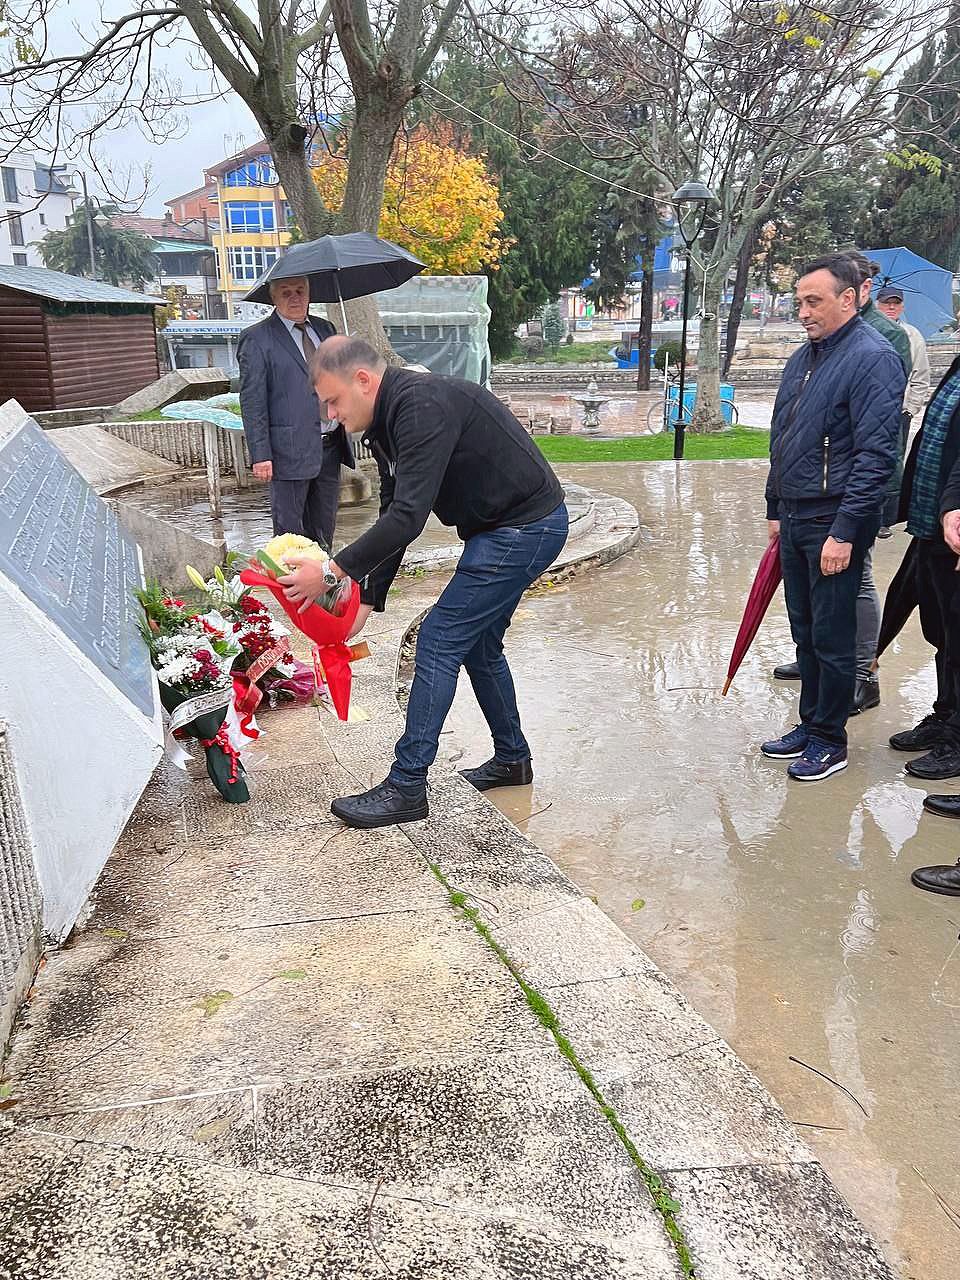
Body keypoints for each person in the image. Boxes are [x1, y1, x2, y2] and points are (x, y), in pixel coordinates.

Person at [280, 335, 569, 829]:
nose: (330, 415)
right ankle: (512, 759)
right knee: (478, 647)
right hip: (501, 529)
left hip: (524, 528)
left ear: (364, 381)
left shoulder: (420, 407)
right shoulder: (386, 423)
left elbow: (410, 518)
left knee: (437, 641)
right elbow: (394, 513)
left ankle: (407, 786)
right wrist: (365, 604)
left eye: (333, 400)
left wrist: (330, 573)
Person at [761, 253, 904, 782]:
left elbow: (875, 457)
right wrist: (776, 506)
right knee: (804, 630)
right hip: (797, 515)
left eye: (812, 301)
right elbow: (783, 436)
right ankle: (810, 722)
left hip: (834, 519)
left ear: (851, 298)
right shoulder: (806, 357)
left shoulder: (872, 358)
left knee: (833, 634)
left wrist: (845, 532)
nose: (802, 311)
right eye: (799, 301)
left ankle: (830, 738)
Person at [885, 353, 960, 804]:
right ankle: (946, 714)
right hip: (935, 524)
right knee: (940, 631)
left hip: (954, 531)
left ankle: (957, 738)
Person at [238, 275, 354, 549]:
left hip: (330, 446)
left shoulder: (326, 329)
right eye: (286, 292)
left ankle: (322, 586)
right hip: (287, 451)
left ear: (309, 293)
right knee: (289, 537)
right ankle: (292, 590)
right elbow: (253, 400)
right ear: (273, 298)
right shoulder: (257, 339)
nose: (295, 297)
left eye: (300, 290)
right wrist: (261, 454)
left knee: (324, 530)